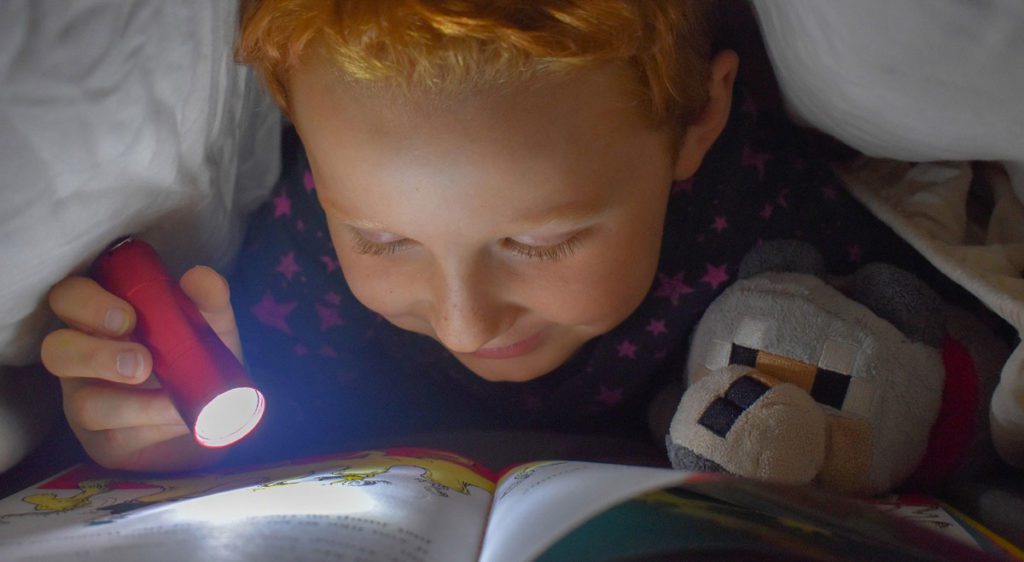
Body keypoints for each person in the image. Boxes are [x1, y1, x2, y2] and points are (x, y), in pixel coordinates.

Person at [40, 0, 940, 472]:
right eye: (385, 241)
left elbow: (919, 366)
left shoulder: (773, 215)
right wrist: (158, 435)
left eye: (543, 243)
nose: (467, 323)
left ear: (697, 117)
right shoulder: (291, 259)